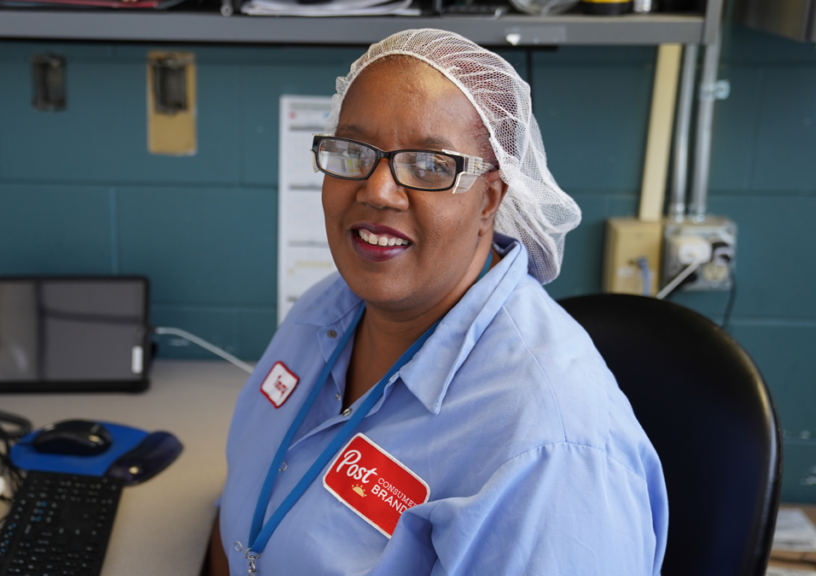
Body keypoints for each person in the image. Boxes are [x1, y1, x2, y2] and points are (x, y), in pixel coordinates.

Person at [206, 29, 668, 576]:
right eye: (353, 152)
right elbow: (242, 507)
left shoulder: (549, 451)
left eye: (429, 165)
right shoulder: (325, 311)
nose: (377, 192)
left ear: (490, 200)